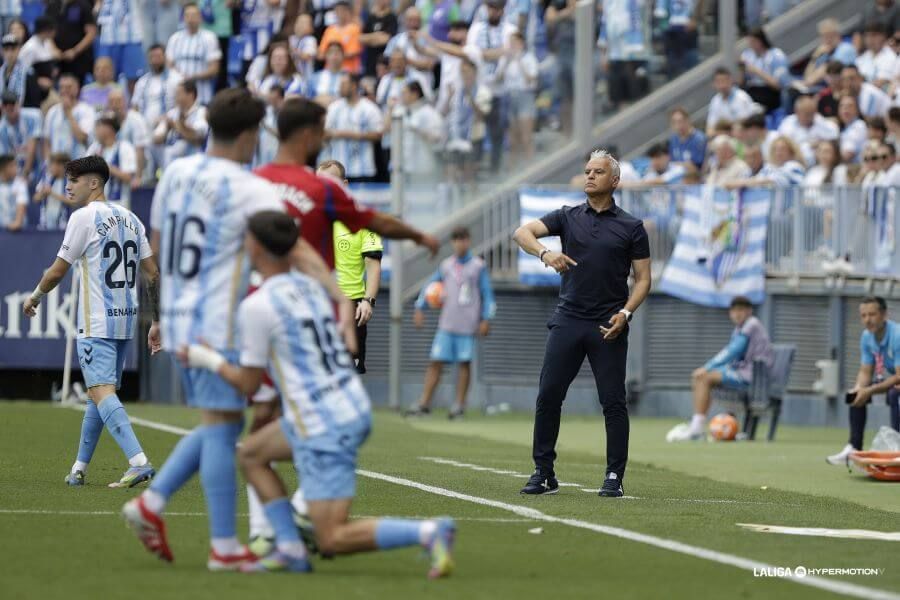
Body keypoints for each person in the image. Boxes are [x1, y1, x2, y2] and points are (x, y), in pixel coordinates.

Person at [122, 88, 351, 570]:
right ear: (249, 134)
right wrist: (336, 293)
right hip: (218, 324)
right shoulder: (251, 189)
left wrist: (163, 315)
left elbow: (159, 253)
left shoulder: (176, 173)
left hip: (182, 318)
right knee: (225, 432)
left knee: (218, 425)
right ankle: (223, 546)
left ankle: (152, 502)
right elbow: (291, 249)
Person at [181, 210, 456, 576]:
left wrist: (206, 358)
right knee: (252, 454)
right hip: (337, 404)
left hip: (327, 421)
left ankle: (429, 532)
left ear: (257, 248)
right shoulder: (312, 287)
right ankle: (290, 548)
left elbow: (248, 384)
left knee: (331, 538)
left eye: (246, 239)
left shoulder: (257, 306)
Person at [512, 149, 652, 497]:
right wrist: (545, 253)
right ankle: (543, 472)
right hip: (568, 319)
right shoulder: (567, 216)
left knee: (613, 401)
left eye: (598, 171)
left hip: (608, 324)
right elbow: (521, 233)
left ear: (614, 181)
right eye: (587, 170)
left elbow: (644, 279)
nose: (590, 176)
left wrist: (626, 313)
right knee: (548, 395)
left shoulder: (632, 227)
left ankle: (614, 477)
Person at [22, 155, 158, 487]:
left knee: (100, 390)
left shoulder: (83, 217)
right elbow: (152, 273)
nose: (67, 186)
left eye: (74, 180)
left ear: (93, 183)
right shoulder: (131, 218)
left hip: (96, 321)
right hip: (124, 321)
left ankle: (138, 461)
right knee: (97, 395)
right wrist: (156, 321)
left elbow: (57, 270)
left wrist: (35, 296)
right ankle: (79, 468)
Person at [406, 226, 495, 419]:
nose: (460, 243)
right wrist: (420, 307)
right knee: (435, 362)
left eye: (463, 239)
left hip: (468, 325)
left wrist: (486, 319)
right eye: (456, 239)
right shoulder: (446, 265)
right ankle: (424, 404)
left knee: (464, 364)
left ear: (468, 241)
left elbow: (488, 295)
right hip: (447, 324)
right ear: (452, 243)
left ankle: (459, 406)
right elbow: (430, 286)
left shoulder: (478, 266)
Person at [666, 297, 774, 442]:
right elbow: (734, 358)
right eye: (734, 310)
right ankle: (696, 426)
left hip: (754, 378)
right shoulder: (740, 328)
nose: (737, 314)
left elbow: (733, 351)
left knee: (703, 377)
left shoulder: (751, 324)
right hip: (747, 374)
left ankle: (696, 429)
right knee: (702, 378)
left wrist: (707, 367)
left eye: (741, 310)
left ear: (749, 311)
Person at [319, 158, 382, 374]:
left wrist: (368, 301)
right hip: (318, 304)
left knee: (347, 376)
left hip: (352, 306)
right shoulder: (313, 217)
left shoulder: (361, 218)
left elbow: (373, 265)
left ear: (344, 184)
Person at [826, 297, 900, 464]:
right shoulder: (867, 337)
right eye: (863, 315)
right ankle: (853, 448)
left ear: (884, 315)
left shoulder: (897, 335)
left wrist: (870, 390)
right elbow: (866, 371)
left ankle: (897, 449)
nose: (867, 320)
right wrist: (860, 389)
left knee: (896, 392)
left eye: (872, 314)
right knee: (855, 394)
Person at [322, 72, 383, 182]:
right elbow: (324, 132)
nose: (340, 88)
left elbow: (378, 134)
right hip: (337, 170)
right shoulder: (334, 108)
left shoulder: (369, 108)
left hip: (363, 169)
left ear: (354, 85)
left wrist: (346, 134)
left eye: (343, 84)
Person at [165, 3, 222, 105]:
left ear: (200, 18)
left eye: (194, 16)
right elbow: (169, 63)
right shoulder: (174, 38)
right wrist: (180, 77)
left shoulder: (209, 38)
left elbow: (215, 69)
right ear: (183, 18)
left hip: (202, 95)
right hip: (178, 94)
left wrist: (192, 77)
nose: (190, 19)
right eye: (187, 16)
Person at [496, 31, 537, 160]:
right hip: (509, 96)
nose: (512, 45)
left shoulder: (529, 58)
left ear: (521, 43)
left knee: (526, 136)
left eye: (514, 42)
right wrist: (507, 61)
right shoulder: (505, 59)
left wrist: (519, 61)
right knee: (512, 139)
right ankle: (513, 167)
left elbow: (531, 79)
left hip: (524, 95)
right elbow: (499, 78)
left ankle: (530, 163)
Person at [152, 80, 209, 169]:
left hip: (192, 166)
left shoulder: (202, 112)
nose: (175, 97)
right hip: (170, 165)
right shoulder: (172, 113)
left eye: (179, 93)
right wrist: (166, 129)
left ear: (190, 95)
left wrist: (176, 126)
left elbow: (197, 137)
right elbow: (156, 139)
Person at [86, 115, 137, 206]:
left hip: (119, 205)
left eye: (99, 126)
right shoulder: (94, 148)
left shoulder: (125, 147)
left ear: (109, 129)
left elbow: (128, 177)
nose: (95, 130)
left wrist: (104, 166)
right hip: (97, 204)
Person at [43, 73, 95, 159]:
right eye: (62, 87)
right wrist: (48, 163)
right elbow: (47, 142)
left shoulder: (86, 110)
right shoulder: (52, 112)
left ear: (77, 88)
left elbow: (82, 138)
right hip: (57, 167)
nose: (64, 90)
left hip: (78, 165)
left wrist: (68, 112)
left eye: (69, 87)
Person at [777, 95, 839, 165]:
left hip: (818, 163)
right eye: (807, 113)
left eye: (812, 112)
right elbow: (781, 146)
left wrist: (820, 144)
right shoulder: (787, 124)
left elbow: (834, 137)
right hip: (795, 162)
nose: (811, 116)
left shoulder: (821, 121)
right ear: (797, 112)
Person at [739, 28, 789, 114]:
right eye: (749, 42)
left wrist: (756, 71)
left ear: (760, 41)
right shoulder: (747, 55)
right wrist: (742, 71)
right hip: (752, 89)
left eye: (753, 42)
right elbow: (741, 83)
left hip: (769, 91)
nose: (751, 45)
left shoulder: (776, 55)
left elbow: (778, 85)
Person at [106, 88, 149, 186]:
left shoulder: (136, 119)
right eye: (112, 102)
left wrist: (138, 177)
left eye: (118, 101)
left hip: (137, 169)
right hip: (116, 171)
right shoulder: (107, 122)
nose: (115, 105)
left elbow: (140, 149)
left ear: (125, 102)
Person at [95, 0, 146, 82]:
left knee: (133, 78)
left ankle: (134, 95)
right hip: (108, 37)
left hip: (131, 37)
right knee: (106, 75)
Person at [654, 0, 703, 78]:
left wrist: (696, 19)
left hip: (690, 31)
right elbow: (660, 12)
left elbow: (700, 5)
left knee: (691, 63)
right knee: (674, 66)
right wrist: (666, 26)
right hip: (672, 32)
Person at [706, 68, 760, 137]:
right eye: (718, 82)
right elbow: (710, 129)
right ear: (714, 84)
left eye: (724, 80)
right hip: (727, 135)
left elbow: (746, 121)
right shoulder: (714, 101)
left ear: (731, 80)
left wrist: (727, 124)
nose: (722, 85)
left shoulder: (741, 96)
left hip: (747, 132)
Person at [0, 91, 41, 181]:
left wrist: (25, 173)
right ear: (2, 107)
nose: (9, 106)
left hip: (38, 167)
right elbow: (6, 157)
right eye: (5, 104)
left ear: (18, 104)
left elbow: (32, 145)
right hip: (17, 172)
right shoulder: (2, 128)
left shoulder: (33, 116)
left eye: (12, 103)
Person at [54, 0, 97, 84]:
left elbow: (91, 32)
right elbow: (46, 32)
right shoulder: (54, 6)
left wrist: (75, 51)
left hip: (79, 58)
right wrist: (54, 50)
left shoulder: (84, 5)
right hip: (58, 59)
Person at [318, 0, 362, 74]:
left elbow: (353, 52)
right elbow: (321, 53)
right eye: (337, 10)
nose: (339, 13)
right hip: (329, 71)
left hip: (349, 71)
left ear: (348, 11)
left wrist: (333, 56)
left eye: (342, 10)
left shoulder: (355, 29)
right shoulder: (329, 29)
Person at [33, 151, 72, 230]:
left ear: (61, 166)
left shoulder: (71, 182)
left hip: (63, 227)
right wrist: (42, 193)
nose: (50, 167)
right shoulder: (45, 180)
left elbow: (73, 202)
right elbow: (35, 199)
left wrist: (52, 193)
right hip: (44, 226)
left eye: (52, 165)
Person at [359, 0, 397, 78]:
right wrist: (377, 35)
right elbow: (361, 38)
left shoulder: (392, 17)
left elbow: (386, 39)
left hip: (385, 64)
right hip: (370, 64)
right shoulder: (371, 17)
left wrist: (370, 40)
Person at [299, 41, 345, 106]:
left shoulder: (349, 78)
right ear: (326, 56)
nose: (334, 56)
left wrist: (333, 100)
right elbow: (307, 100)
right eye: (331, 53)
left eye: (337, 53)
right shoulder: (314, 77)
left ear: (343, 56)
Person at [856, 21, 896, 89]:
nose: (870, 39)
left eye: (874, 35)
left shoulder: (891, 56)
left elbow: (881, 82)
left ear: (883, 36)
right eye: (867, 36)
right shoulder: (861, 59)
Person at [668, 106, 706, 170]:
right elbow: (671, 161)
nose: (678, 126)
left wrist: (677, 165)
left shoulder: (699, 139)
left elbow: (697, 167)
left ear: (687, 120)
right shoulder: (673, 140)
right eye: (674, 123)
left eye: (680, 121)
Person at [0, 152, 25, 230]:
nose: (16, 169)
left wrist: (17, 222)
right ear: (3, 168)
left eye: (16, 165)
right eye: (12, 166)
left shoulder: (20, 184)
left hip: (17, 233)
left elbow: (21, 205)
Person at [0, 34, 27, 103]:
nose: (10, 53)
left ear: (19, 50)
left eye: (13, 49)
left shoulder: (27, 72)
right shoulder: (1, 71)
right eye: (6, 49)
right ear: (2, 52)